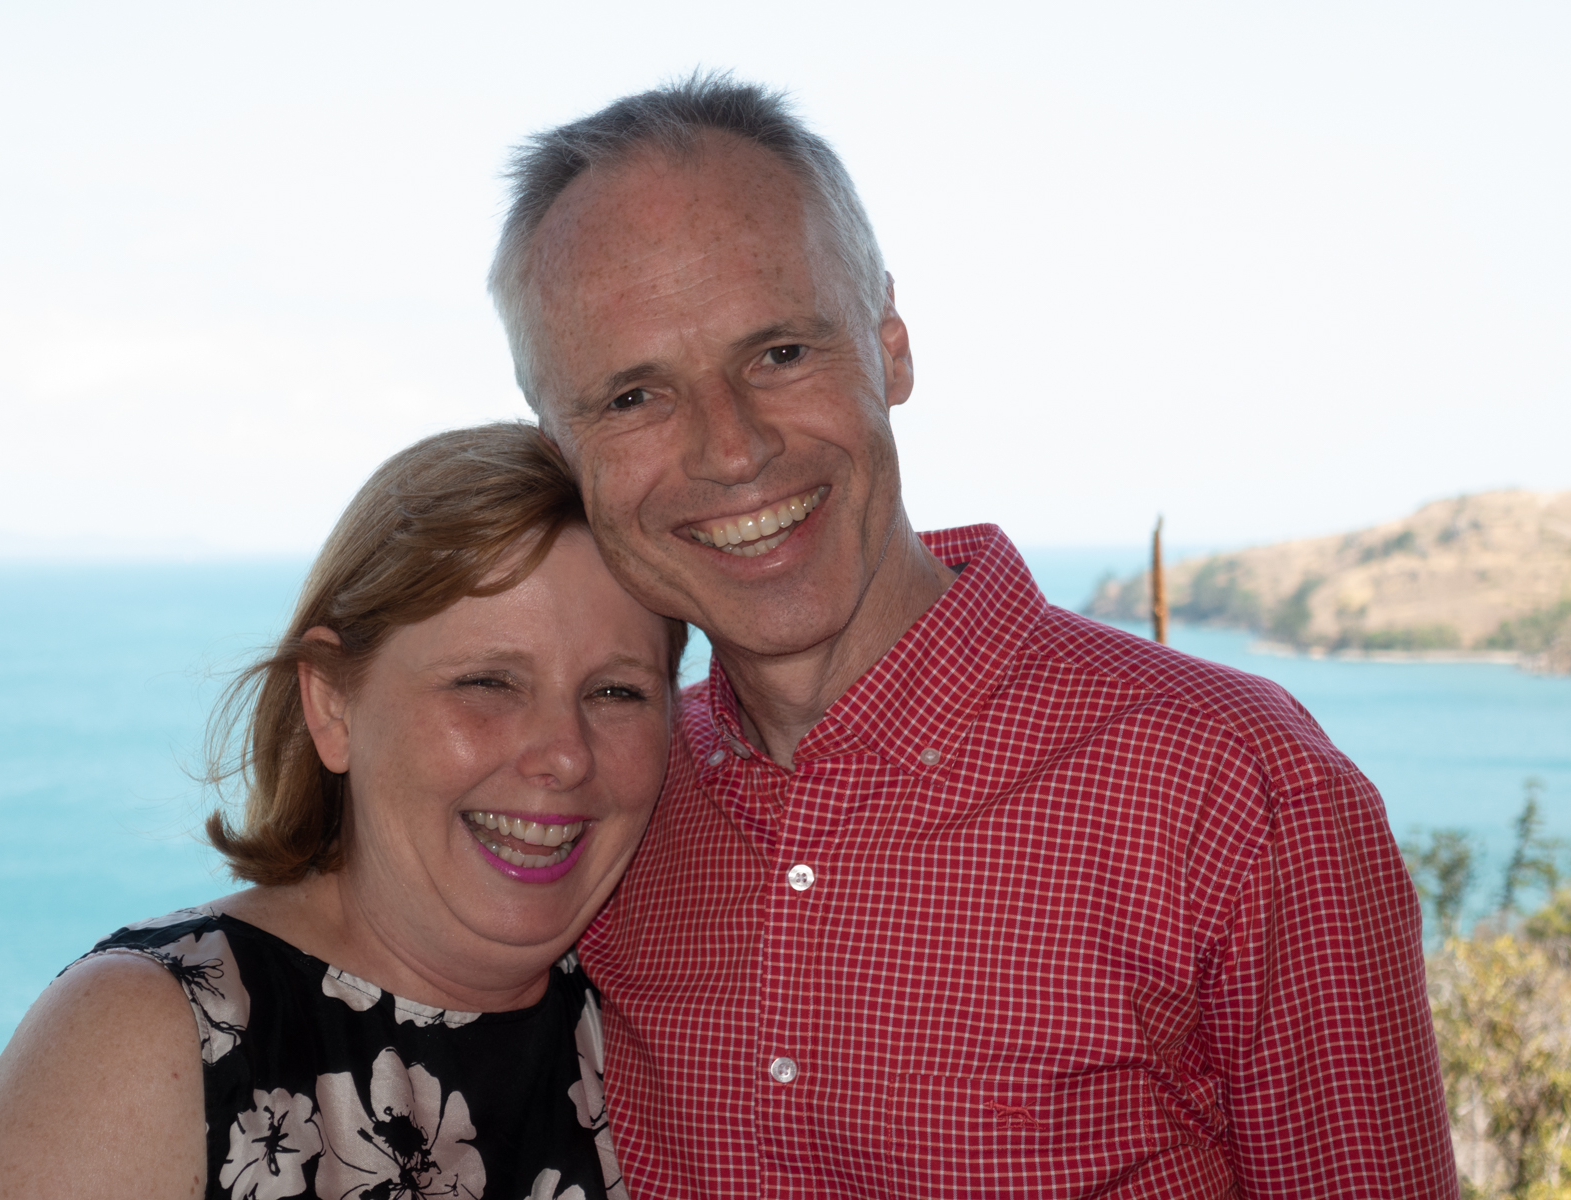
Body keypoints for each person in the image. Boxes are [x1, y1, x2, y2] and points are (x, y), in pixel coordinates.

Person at [487, 74, 1458, 1197]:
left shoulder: (1233, 790)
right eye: (632, 398)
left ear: (890, 348)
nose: (732, 449)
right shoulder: (601, 803)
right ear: (558, 447)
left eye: (781, 354)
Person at [0, 423, 681, 1199]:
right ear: (331, 702)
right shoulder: (160, 1035)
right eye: (487, 683)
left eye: (618, 692)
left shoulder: (670, 1029)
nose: (565, 754)